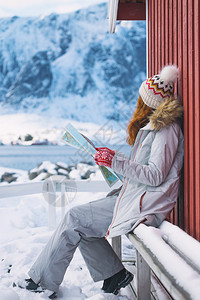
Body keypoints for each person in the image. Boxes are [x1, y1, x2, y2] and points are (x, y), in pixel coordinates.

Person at [17, 65, 184, 299]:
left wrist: (115, 162)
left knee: (75, 218)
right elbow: (144, 170)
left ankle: (43, 283)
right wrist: (112, 159)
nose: (137, 103)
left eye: (141, 99)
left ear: (149, 102)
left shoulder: (166, 130)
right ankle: (113, 274)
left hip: (146, 206)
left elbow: (155, 175)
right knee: (79, 219)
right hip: (136, 199)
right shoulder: (155, 128)